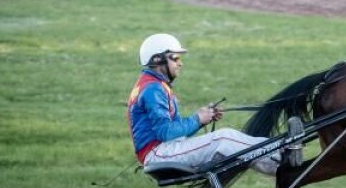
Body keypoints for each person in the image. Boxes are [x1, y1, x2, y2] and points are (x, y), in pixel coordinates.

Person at [128, 33, 301, 174]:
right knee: (224, 138)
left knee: (227, 140)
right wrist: (198, 119)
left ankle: (280, 158)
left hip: (162, 151)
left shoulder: (153, 85)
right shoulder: (153, 89)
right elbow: (166, 133)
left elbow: (172, 132)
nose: (180, 63)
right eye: (175, 57)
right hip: (159, 154)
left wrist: (204, 118)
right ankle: (281, 156)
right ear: (158, 60)